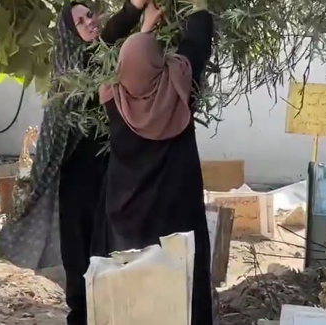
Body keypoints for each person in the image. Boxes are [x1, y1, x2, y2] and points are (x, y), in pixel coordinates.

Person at [0, 1, 147, 325]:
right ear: (70, 33)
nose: (90, 22)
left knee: (111, 245)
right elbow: (56, 133)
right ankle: (81, 315)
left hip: (111, 172)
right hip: (77, 179)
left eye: (90, 15)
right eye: (80, 21)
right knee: (79, 251)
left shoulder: (109, 57)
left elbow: (117, 37)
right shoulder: (71, 70)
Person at [95, 2, 214, 325]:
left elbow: (109, 55)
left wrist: (142, 25)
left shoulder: (112, 99)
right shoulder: (178, 89)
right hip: (177, 216)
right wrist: (199, 8)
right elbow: (197, 46)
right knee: (181, 286)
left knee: (134, 288)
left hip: (128, 218)